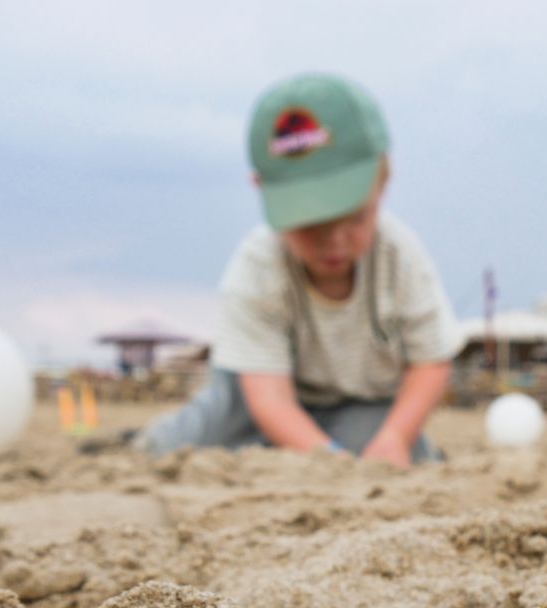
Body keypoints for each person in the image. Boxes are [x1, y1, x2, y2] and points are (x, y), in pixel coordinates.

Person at [136, 73, 461, 465]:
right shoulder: (258, 266)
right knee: (180, 445)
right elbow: (269, 400)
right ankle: (142, 438)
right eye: (312, 225)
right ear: (261, 189)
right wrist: (329, 461)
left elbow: (430, 361)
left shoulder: (401, 257)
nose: (335, 241)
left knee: (396, 447)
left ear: (382, 181)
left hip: (360, 401)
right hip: (257, 391)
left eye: (354, 218)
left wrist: (394, 438)